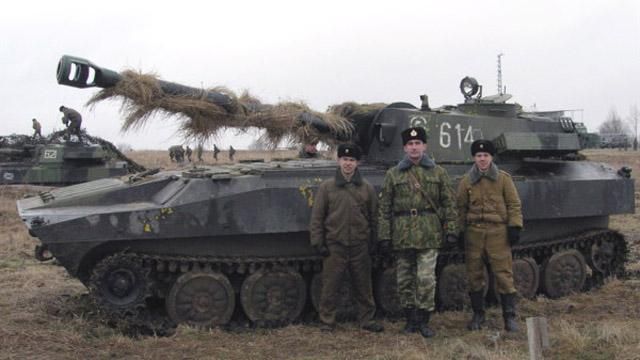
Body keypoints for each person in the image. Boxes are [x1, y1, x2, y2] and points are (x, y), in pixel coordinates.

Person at [378, 127, 458, 338]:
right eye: (410, 144)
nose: (414, 147)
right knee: (404, 279)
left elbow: (449, 203)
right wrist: (384, 236)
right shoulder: (393, 174)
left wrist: (451, 230)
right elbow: (384, 207)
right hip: (402, 233)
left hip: (429, 232)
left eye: (418, 143)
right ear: (405, 147)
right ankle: (410, 319)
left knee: (425, 279)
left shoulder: (438, 172)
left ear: (424, 146)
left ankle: (424, 320)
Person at [309, 143, 384, 333]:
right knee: (330, 286)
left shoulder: (366, 188)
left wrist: (374, 241)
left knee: (363, 285)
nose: (348, 164)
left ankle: (366, 319)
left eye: (352, 160)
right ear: (338, 160)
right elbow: (317, 217)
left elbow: (374, 217)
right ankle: (327, 321)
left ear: (357, 163)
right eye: (345, 159)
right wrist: (318, 243)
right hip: (335, 244)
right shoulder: (327, 187)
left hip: (360, 244)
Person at [456, 139, 523, 332]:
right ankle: (478, 315)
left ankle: (509, 317)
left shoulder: (503, 179)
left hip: (498, 233)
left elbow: (513, 204)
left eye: (485, 155)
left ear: (491, 157)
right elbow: (460, 208)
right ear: (474, 158)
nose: (482, 159)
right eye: (479, 155)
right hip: (474, 233)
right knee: (474, 276)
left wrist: (514, 227)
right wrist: (460, 231)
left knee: (504, 275)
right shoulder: (466, 181)